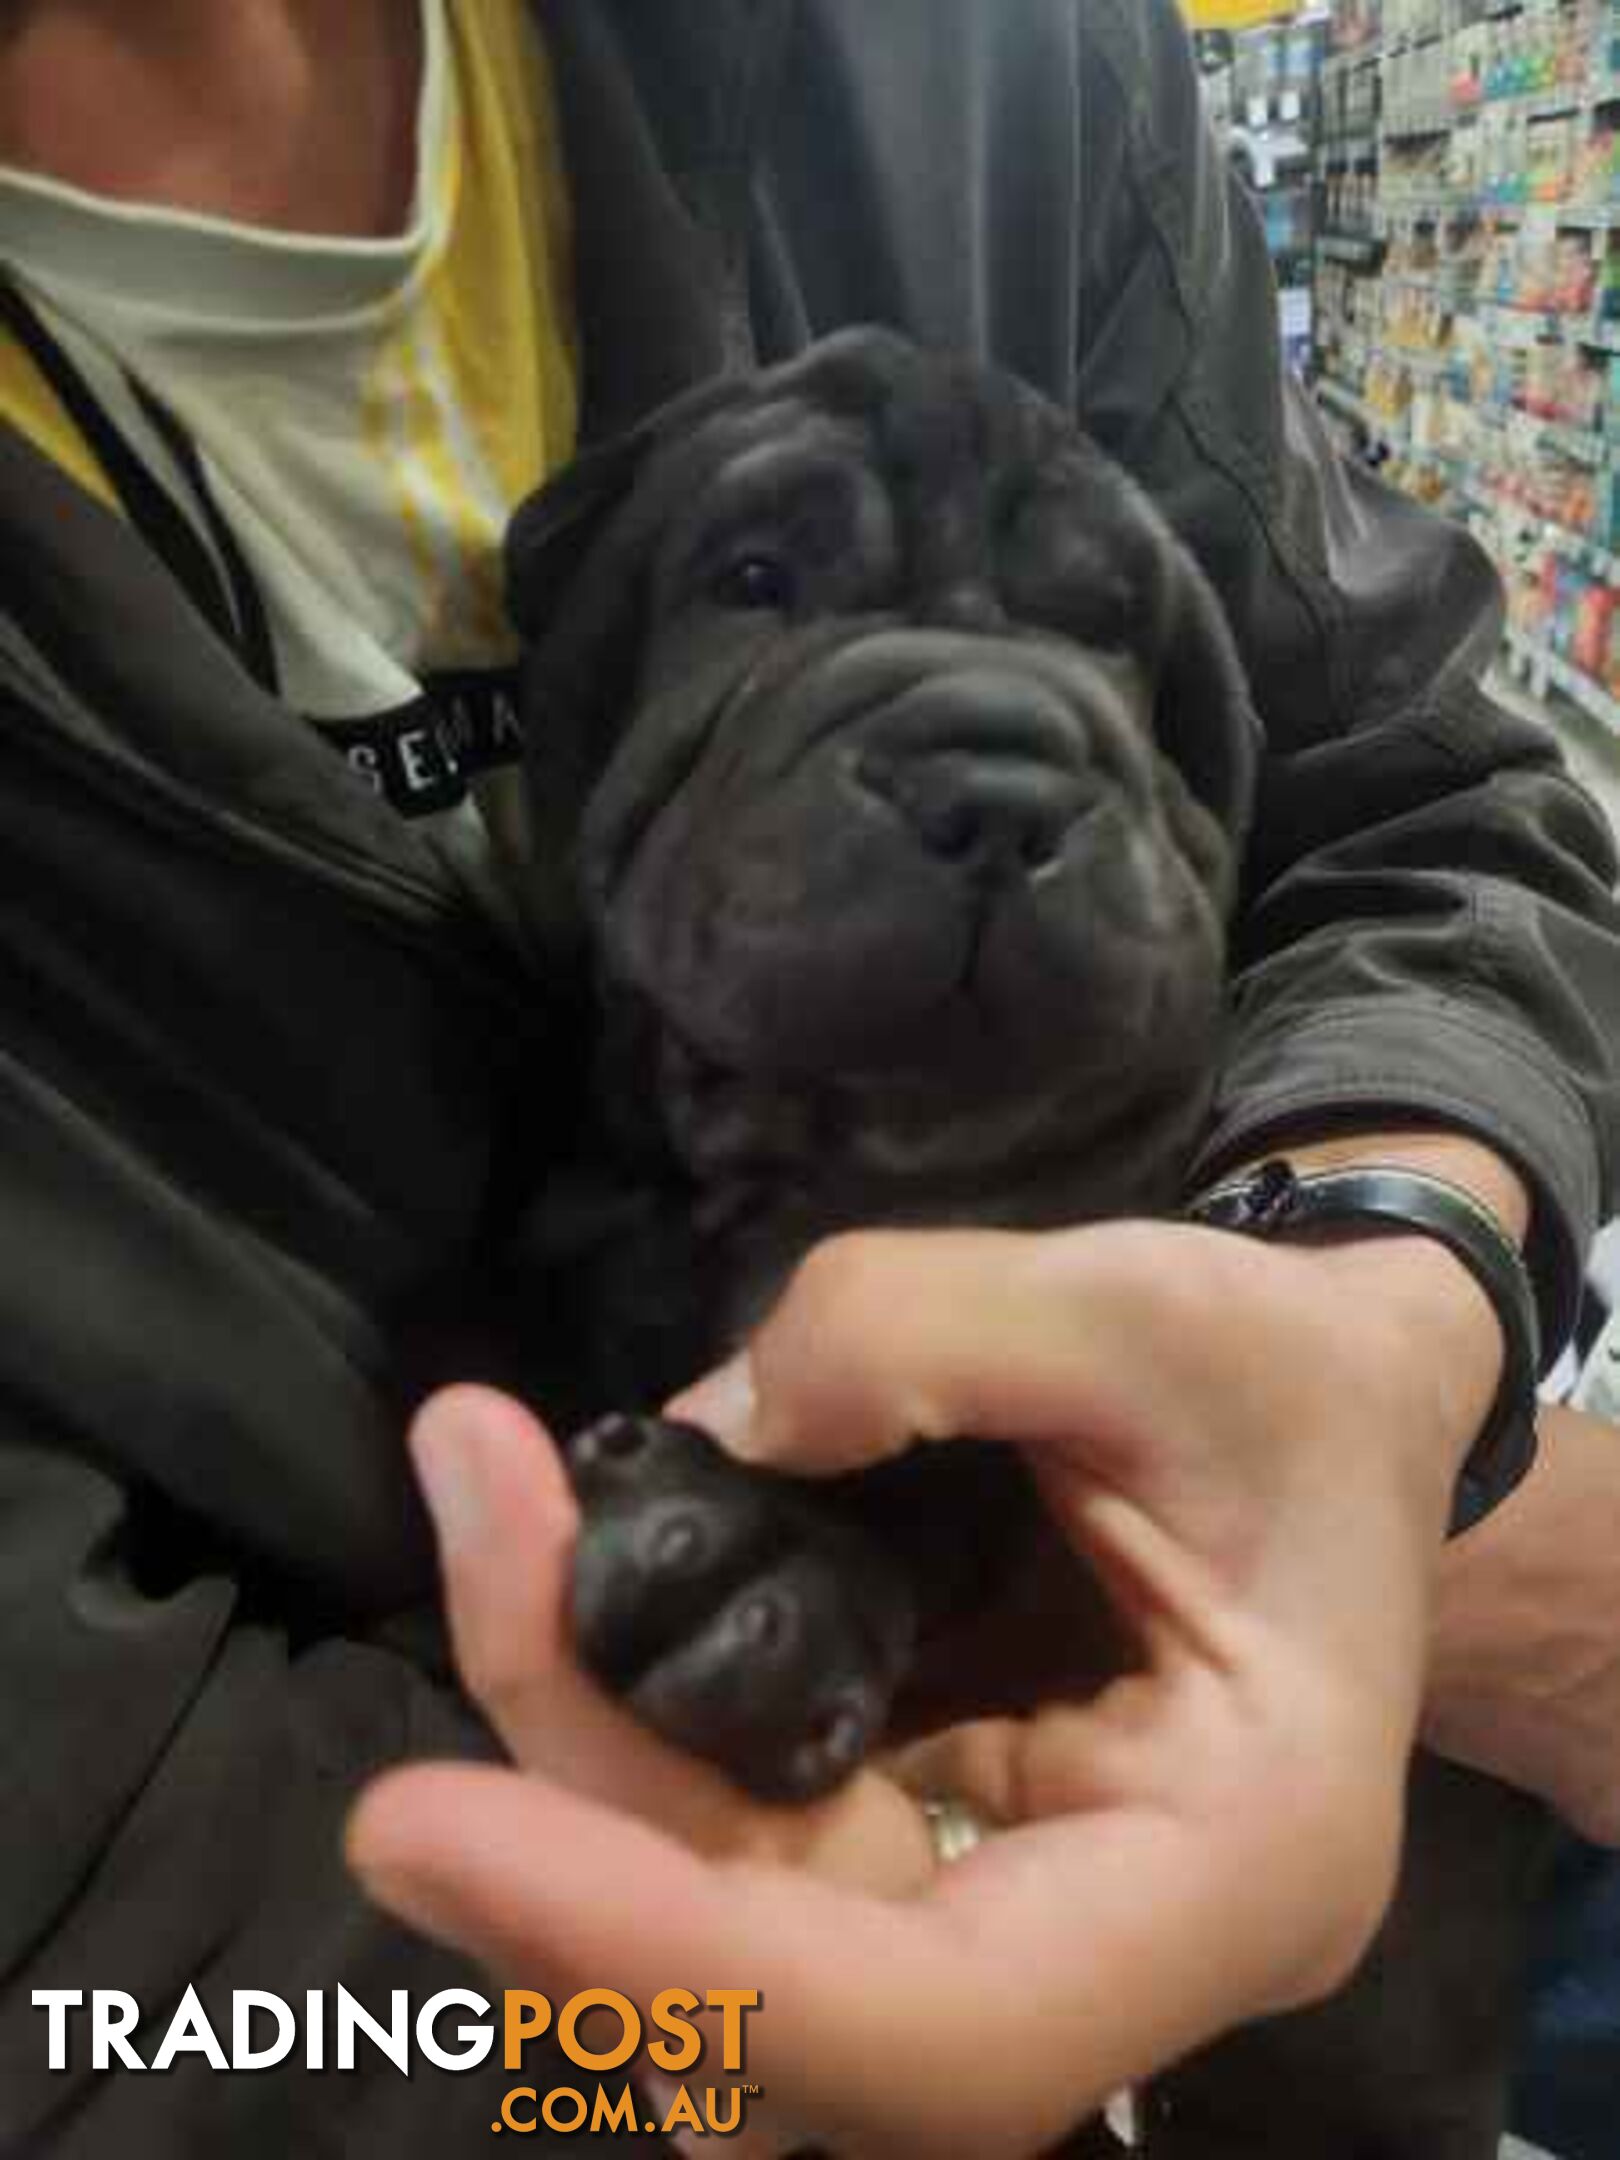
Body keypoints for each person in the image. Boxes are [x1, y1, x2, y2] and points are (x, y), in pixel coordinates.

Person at [0, 2, 1617, 2154]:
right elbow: (108, 1997)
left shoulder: (964, 60)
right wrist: (688, 2061)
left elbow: (1413, 801)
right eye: (758, 584)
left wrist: (1377, 1311)